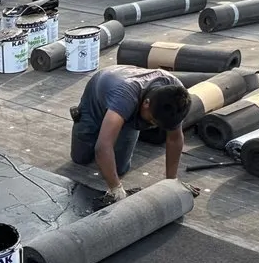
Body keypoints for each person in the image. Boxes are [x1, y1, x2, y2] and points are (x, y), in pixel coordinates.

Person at [70, 65, 192, 204]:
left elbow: (174, 139)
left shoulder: (177, 100)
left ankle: (113, 128)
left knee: (119, 168)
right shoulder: (124, 97)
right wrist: (116, 189)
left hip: (128, 114)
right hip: (98, 99)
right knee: (80, 157)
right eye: (152, 121)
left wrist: (171, 182)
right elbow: (102, 147)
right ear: (146, 103)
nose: (153, 126)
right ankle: (87, 120)